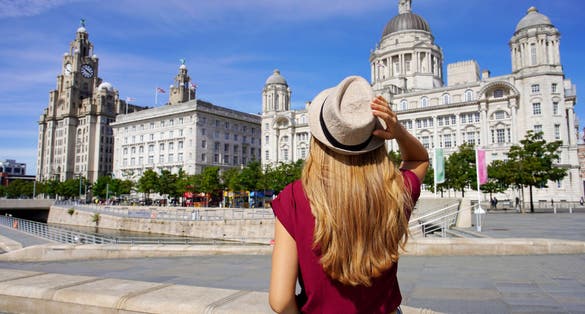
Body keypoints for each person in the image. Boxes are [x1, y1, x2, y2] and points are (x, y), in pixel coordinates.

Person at [269, 76, 429, 313]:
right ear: (376, 136)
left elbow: (281, 301)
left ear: (318, 140)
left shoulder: (294, 196)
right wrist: (398, 132)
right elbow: (419, 159)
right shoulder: (396, 190)